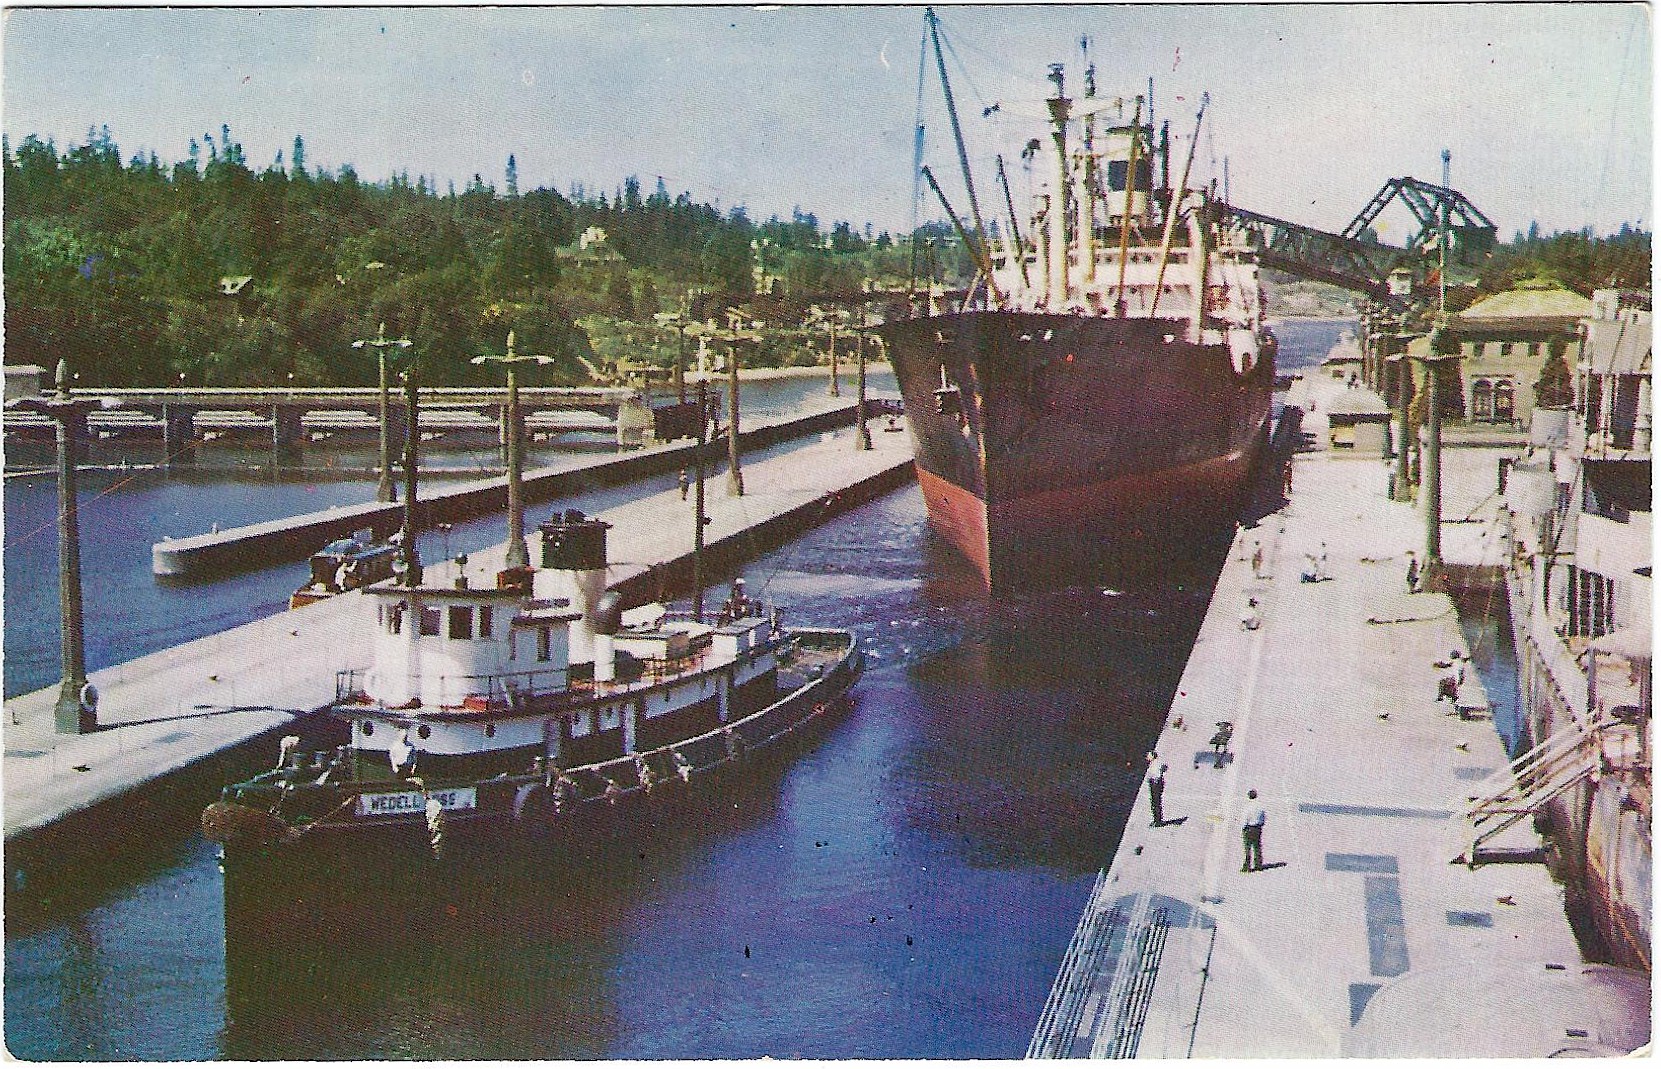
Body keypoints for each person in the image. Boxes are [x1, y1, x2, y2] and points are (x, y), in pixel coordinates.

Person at [1242, 790, 1266, 872]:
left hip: (1249, 828)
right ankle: (1258, 865)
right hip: (1257, 828)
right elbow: (1263, 818)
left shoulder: (1247, 806)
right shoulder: (1260, 806)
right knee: (1257, 847)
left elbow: (1245, 819)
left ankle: (1247, 866)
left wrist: (1243, 827)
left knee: (1247, 848)